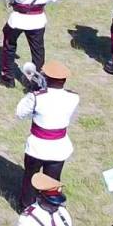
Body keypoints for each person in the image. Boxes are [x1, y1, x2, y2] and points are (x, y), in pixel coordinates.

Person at [15, 61, 78, 201]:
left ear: (47, 78)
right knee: (52, 182)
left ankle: (27, 206)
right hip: (59, 147)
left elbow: (19, 113)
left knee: (31, 179)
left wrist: (33, 92)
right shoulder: (74, 97)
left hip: (37, 147)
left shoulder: (37, 97)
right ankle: (50, 206)